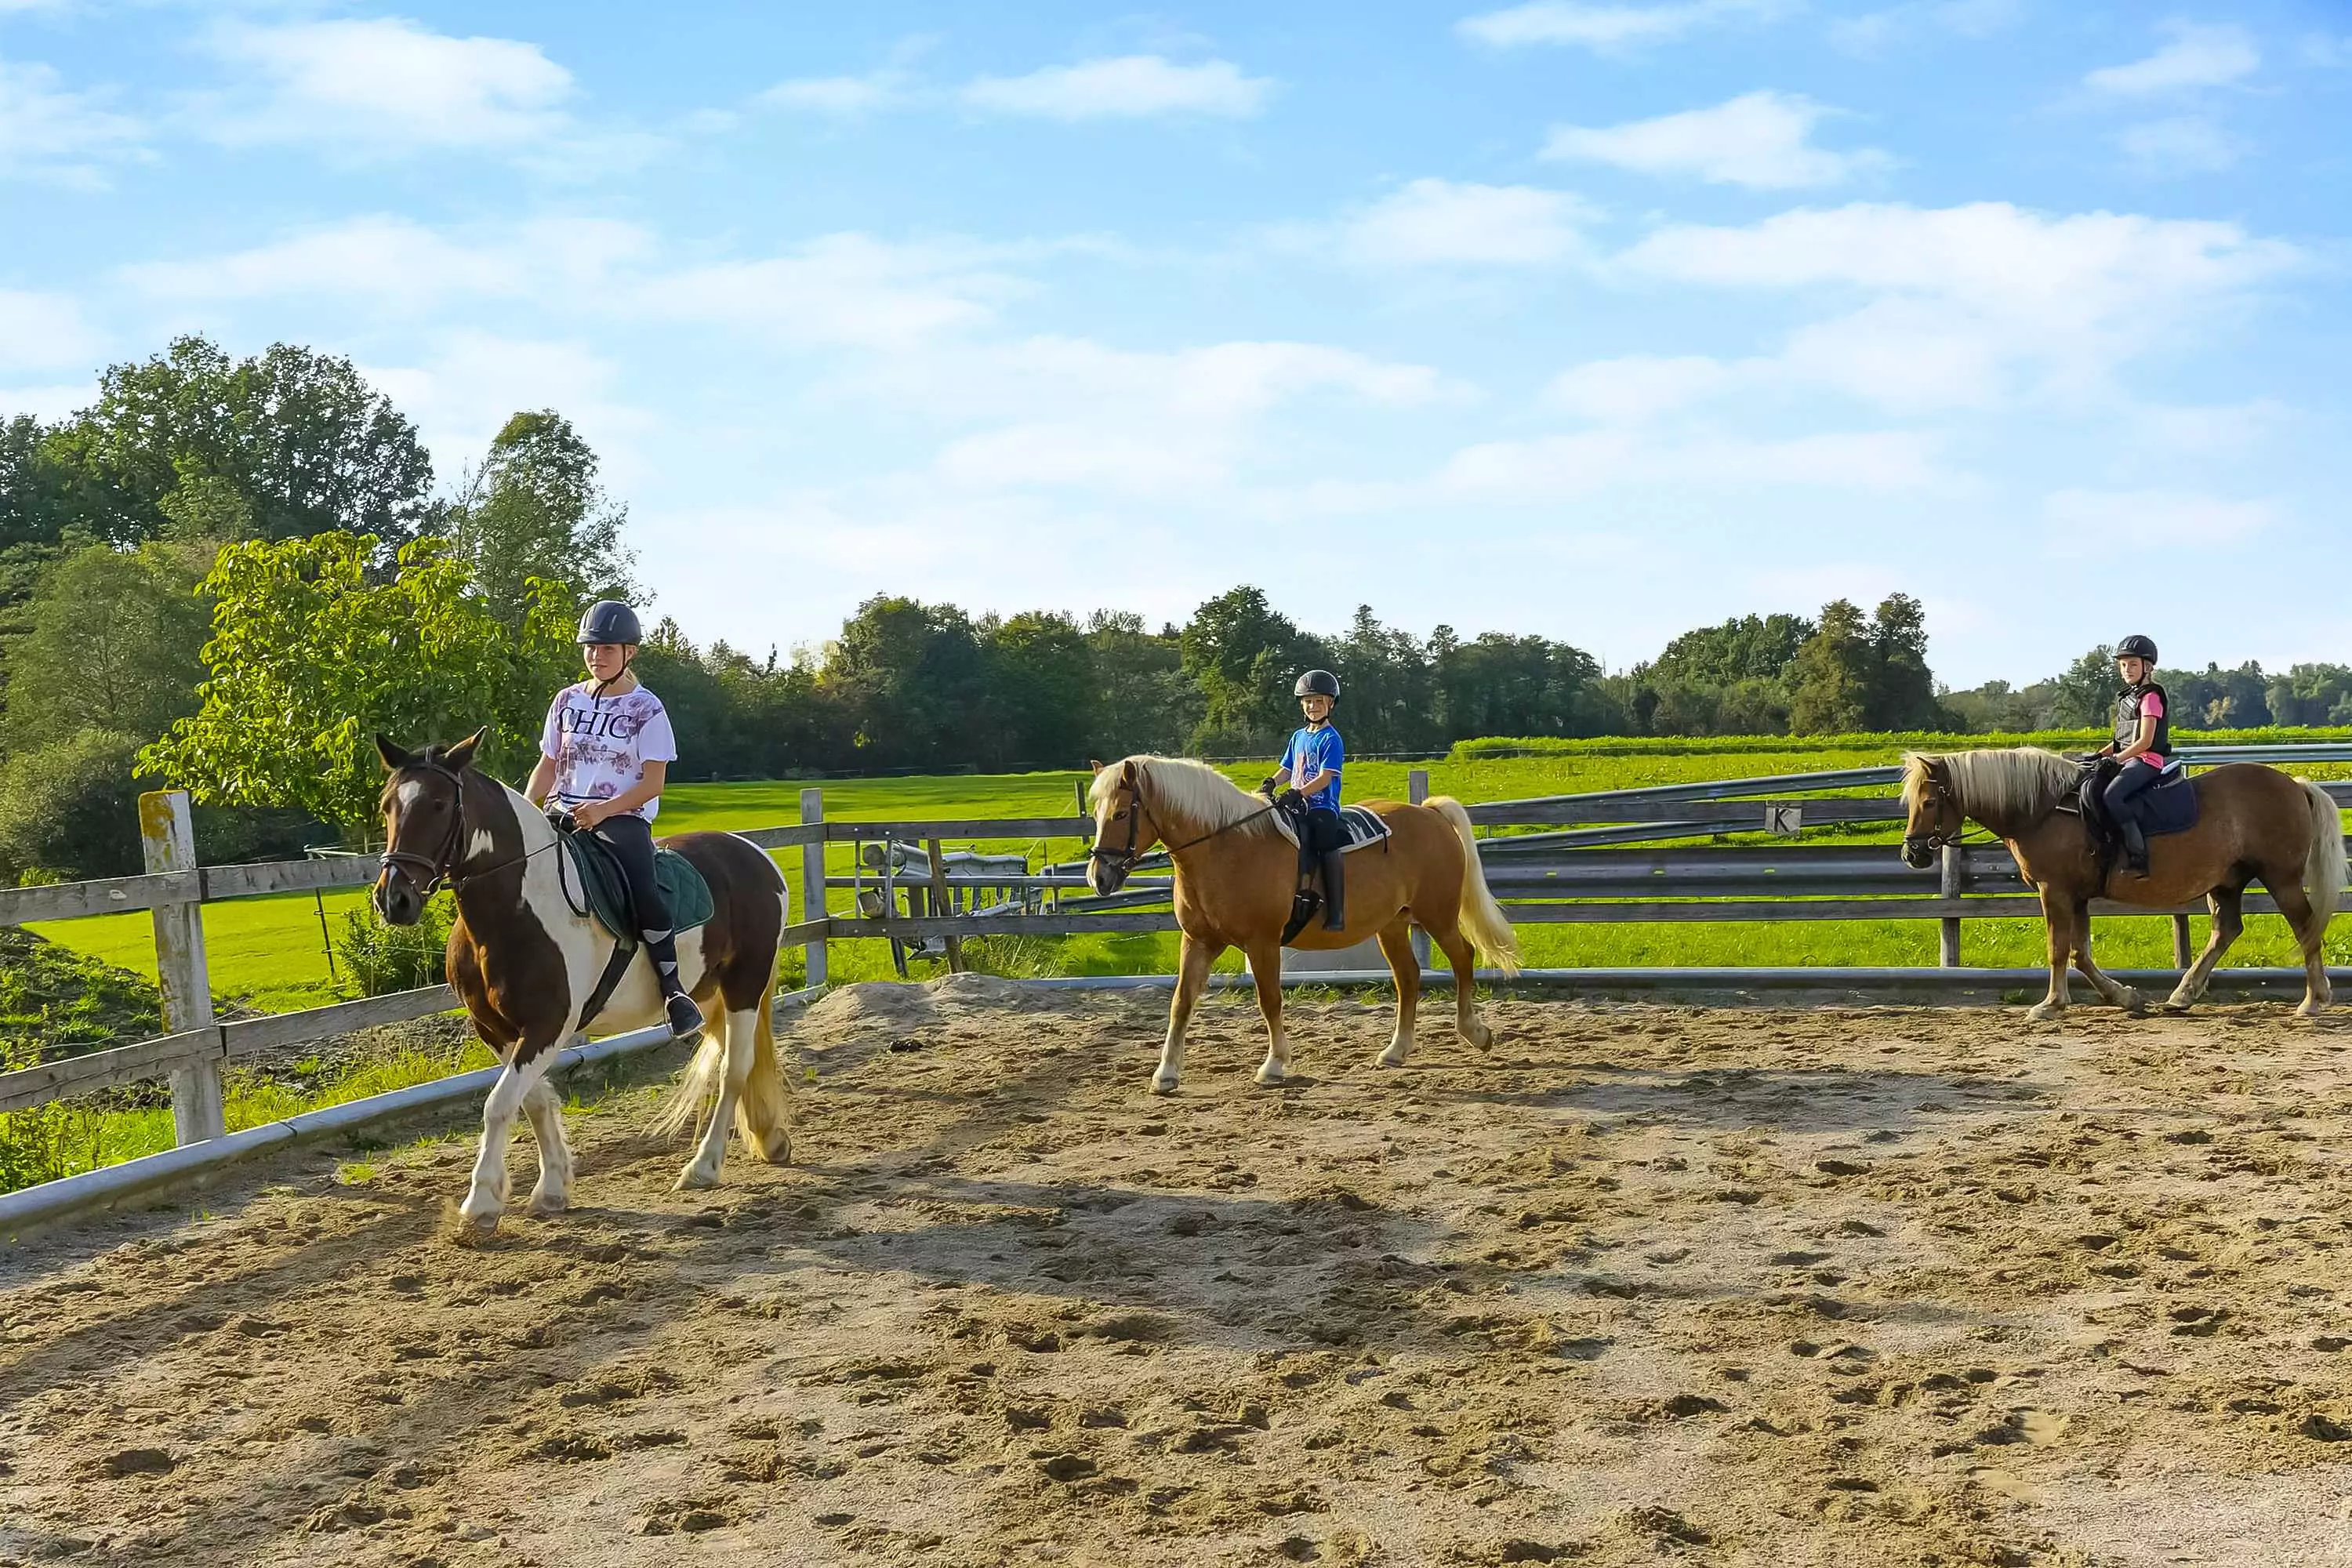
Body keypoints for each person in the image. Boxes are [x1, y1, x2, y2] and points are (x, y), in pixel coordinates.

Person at [524, 600, 703, 1039]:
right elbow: (549, 764)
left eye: (607, 648)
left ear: (630, 652)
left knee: (643, 887)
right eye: (591, 647)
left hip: (621, 817)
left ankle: (673, 990)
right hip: (560, 812)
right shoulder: (566, 701)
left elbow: (653, 783)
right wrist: (527, 808)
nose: (596, 655)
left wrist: (603, 810)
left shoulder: (647, 709)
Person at [1265, 670, 1348, 931]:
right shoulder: (1298, 737)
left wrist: (1299, 792)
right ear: (1302, 705)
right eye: (1308, 701)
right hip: (1297, 805)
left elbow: (1325, 777)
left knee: (1325, 841)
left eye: (1319, 701)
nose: (1313, 706)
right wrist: (1271, 783)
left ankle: (1336, 912)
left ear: (1330, 704)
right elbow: (1287, 769)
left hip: (1322, 805)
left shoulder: (1331, 738)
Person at [2095, 633, 2172, 875]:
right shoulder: (2128, 698)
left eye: (2133, 664)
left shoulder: (2150, 697)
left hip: (2147, 761)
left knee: (2113, 795)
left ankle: (2139, 856)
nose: (2127, 669)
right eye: (2123, 665)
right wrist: (2097, 756)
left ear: (2147, 667)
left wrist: (2116, 759)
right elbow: (2120, 741)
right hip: (2129, 759)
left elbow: (2145, 741)